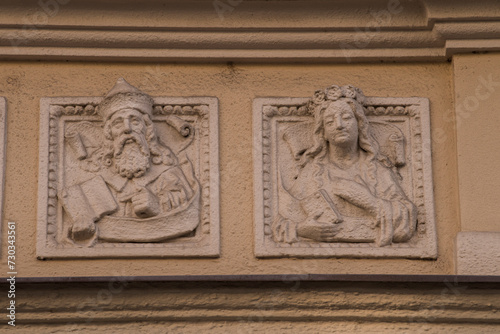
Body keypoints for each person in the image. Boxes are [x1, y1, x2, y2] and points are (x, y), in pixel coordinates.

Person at [274, 85, 417, 246]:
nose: (340, 125)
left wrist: (369, 202)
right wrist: (302, 229)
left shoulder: (377, 170)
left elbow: (407, 218)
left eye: (347, 118)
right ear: (324, 134)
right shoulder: (311, 172)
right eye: (330, 121)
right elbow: (283, 219)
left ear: (360, 125)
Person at [60, 78, 199, 242]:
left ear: (147, 131)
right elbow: (76, 212)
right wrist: (81, 220)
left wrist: (157, 205)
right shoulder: (95, 174)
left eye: (134, 121)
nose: (127, 129)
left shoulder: (167, 169)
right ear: (109, 134)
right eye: (118, 124)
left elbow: (187, 213)